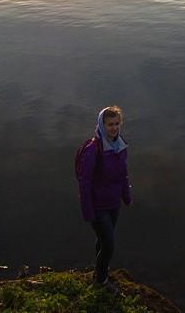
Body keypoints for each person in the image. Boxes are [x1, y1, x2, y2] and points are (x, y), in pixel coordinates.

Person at [77, 105, 132, 290]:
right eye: (110, 124)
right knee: (109, 245)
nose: (114, 128)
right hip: (98, 206)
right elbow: (84, 182)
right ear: (102, 124)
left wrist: (126, 196)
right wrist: (87, 211)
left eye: (117, 124)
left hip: (114, 203)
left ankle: (99, 269)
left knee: (102, 240)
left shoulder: (119, 144)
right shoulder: (93, 149)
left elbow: (123, 173)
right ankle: (101, 280)